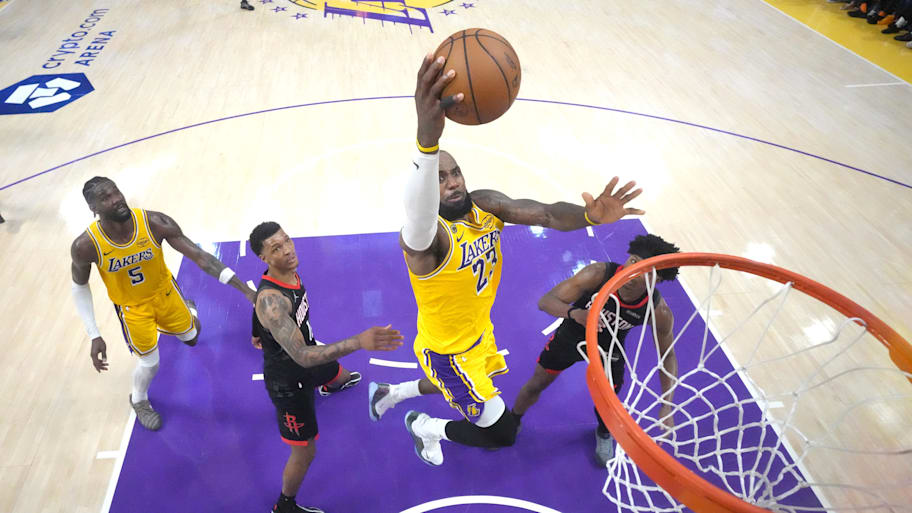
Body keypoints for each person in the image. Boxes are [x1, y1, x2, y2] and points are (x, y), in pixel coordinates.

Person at [367, 53, 645, 466]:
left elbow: (548, 214)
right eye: (439, 178)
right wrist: (427, 143)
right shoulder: (425, 241)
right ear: (427, 187)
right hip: (446, 350)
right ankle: (424, 427)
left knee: (461, 387)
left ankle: (391, 392)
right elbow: (418, 213)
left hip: (477, 333)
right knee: (500, 433)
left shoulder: (487, 206)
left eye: (455, 172)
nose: (453, 182)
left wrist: (589, 215)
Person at [70, 176, 257, 430]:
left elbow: (201, 257)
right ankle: (139, 400)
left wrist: (244, 289)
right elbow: (80, 286)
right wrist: (94, 334)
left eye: (116, 192)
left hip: (165, 293)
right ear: (94, 208)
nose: (117, 199)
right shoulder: (85, 245)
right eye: (106, 198)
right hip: (132, 310)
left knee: (192, 337)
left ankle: (187, 309)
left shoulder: (154, 222)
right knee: (150, 362)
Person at [249, 221, 403, 513]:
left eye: (287, 241)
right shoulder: (272, 301)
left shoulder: (287, 273)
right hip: (289, 380)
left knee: (335, 370)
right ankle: (284, 506)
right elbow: (304, 357)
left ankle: (332, 382)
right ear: (264, 258)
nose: (287, 250)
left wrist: (256, 331)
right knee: (305, 451)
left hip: (307, 352)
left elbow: (259, 309)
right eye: (276, 248)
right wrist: (360, 340)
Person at [512, 234, 680, 466]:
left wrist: (667, 405)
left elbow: (668, 355)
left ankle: (603, 432)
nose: (634, 271)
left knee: (608, 401)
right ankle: (513, 419)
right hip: (572, 335)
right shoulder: (598, 275)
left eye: (646, 271)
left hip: (609, 348)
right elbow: (545, 301)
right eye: (634, 261)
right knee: (538, 382)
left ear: (657, 281)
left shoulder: (658, 310)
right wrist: (575, 314)